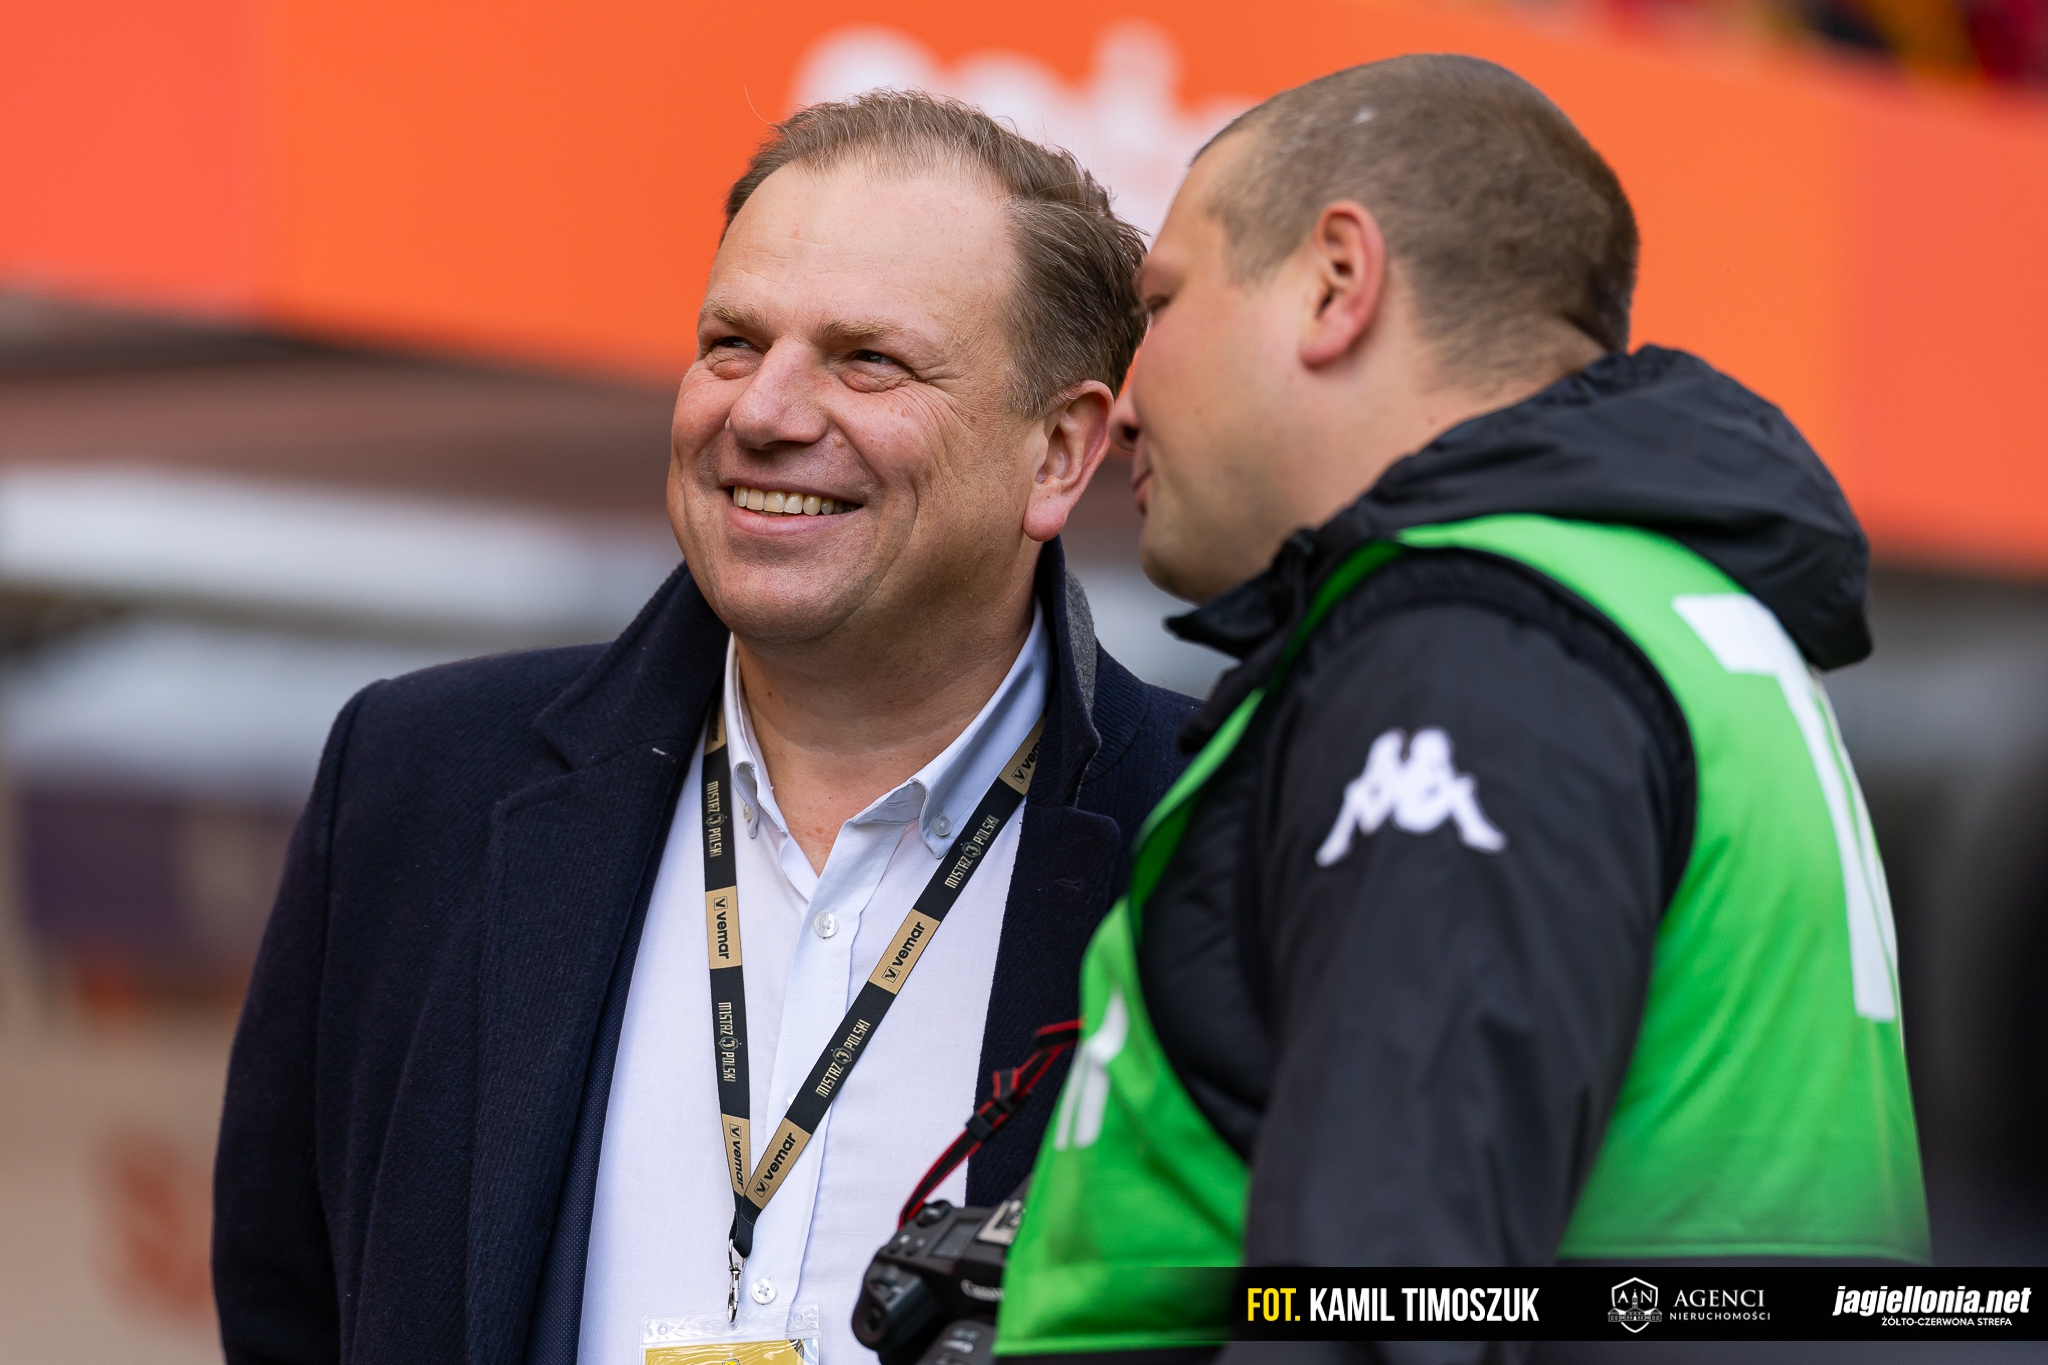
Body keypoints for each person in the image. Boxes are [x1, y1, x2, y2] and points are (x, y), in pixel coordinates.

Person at [212, 93, 1198, 1365]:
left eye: (866, 360)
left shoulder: (1224, 835)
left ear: (1059, 451)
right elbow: (287, 1303)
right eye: (731, 343)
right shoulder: (417, 783)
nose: (763, 411)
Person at [995, 54, 1930, 1364]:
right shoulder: (1632, 603)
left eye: (1163, 303)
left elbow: (1384, 1315)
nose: (1130, 401)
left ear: (1336, 282)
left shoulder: (1466, 648)